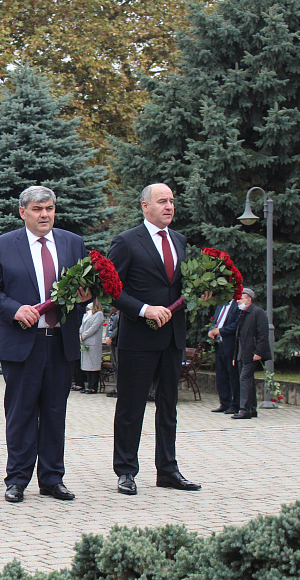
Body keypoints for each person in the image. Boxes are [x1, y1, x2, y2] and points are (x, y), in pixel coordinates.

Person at [0, 186, 89, 503]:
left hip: (60, 343)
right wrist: (15, 309)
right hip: (21, 343)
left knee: (55, 413)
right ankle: (17, 480)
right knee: (21, 414)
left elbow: (85, 288)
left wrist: (87, 296)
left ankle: (53, 479)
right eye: (38, 209)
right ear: (23, 212)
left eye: (50, 208)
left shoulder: (72, 242)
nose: (45, 215)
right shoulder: (3, 245)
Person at [108, 183, 201, 496]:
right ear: (145, 206)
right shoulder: (126, 242)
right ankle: (126, 471)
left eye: (172, 201)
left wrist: (202, 290)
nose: (169, 206)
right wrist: (145, 309)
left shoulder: (179, 240)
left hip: (172, 339)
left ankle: (168, 469)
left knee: (169, 406)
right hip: (138, 340)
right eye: (162, 201)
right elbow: (113, 290)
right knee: (131, 407)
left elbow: (180, 286)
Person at [232, 288, 271, 420]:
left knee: (244, 380)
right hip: (241, 354)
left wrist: (259, 352)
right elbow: (238, 336)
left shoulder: (257, 312)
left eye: (241, 298)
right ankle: (252, 408)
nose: (239, 301)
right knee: (248, 381)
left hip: (251, 353)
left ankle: (245, 410)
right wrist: (235, 356)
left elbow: (263, 334)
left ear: (249, 300)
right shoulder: (242, 314)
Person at [208, 298, 241, 414]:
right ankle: (224, 402)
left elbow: (236, 324)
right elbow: (214, 321)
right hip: (219, 344)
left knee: (233, 375)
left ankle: (235, 404)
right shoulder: (220, 305)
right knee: (221, 375)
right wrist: (211, 330)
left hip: (230, 345)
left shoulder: (237, 305)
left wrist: (221, 331)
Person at [79, 299, 104, 394]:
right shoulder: (86, 314)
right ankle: (88, 385)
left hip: (93, 342)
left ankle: (93, 387)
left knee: (93, 365)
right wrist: (80, 334)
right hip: (85, 342)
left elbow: (94, 327)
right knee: (87, 365)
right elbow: (82, 326)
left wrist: (84, 335)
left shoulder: (99, 314)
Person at [104, 308, 120, 397]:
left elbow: (119, 327)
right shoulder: (114, 313)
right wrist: (107, 336)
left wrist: (111, 336)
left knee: (119, 365)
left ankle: (120, 388)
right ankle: (117, 387)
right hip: (112, 342)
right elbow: (109, 326)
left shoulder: (121, 313)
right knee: (115, 366)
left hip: (117, 341)